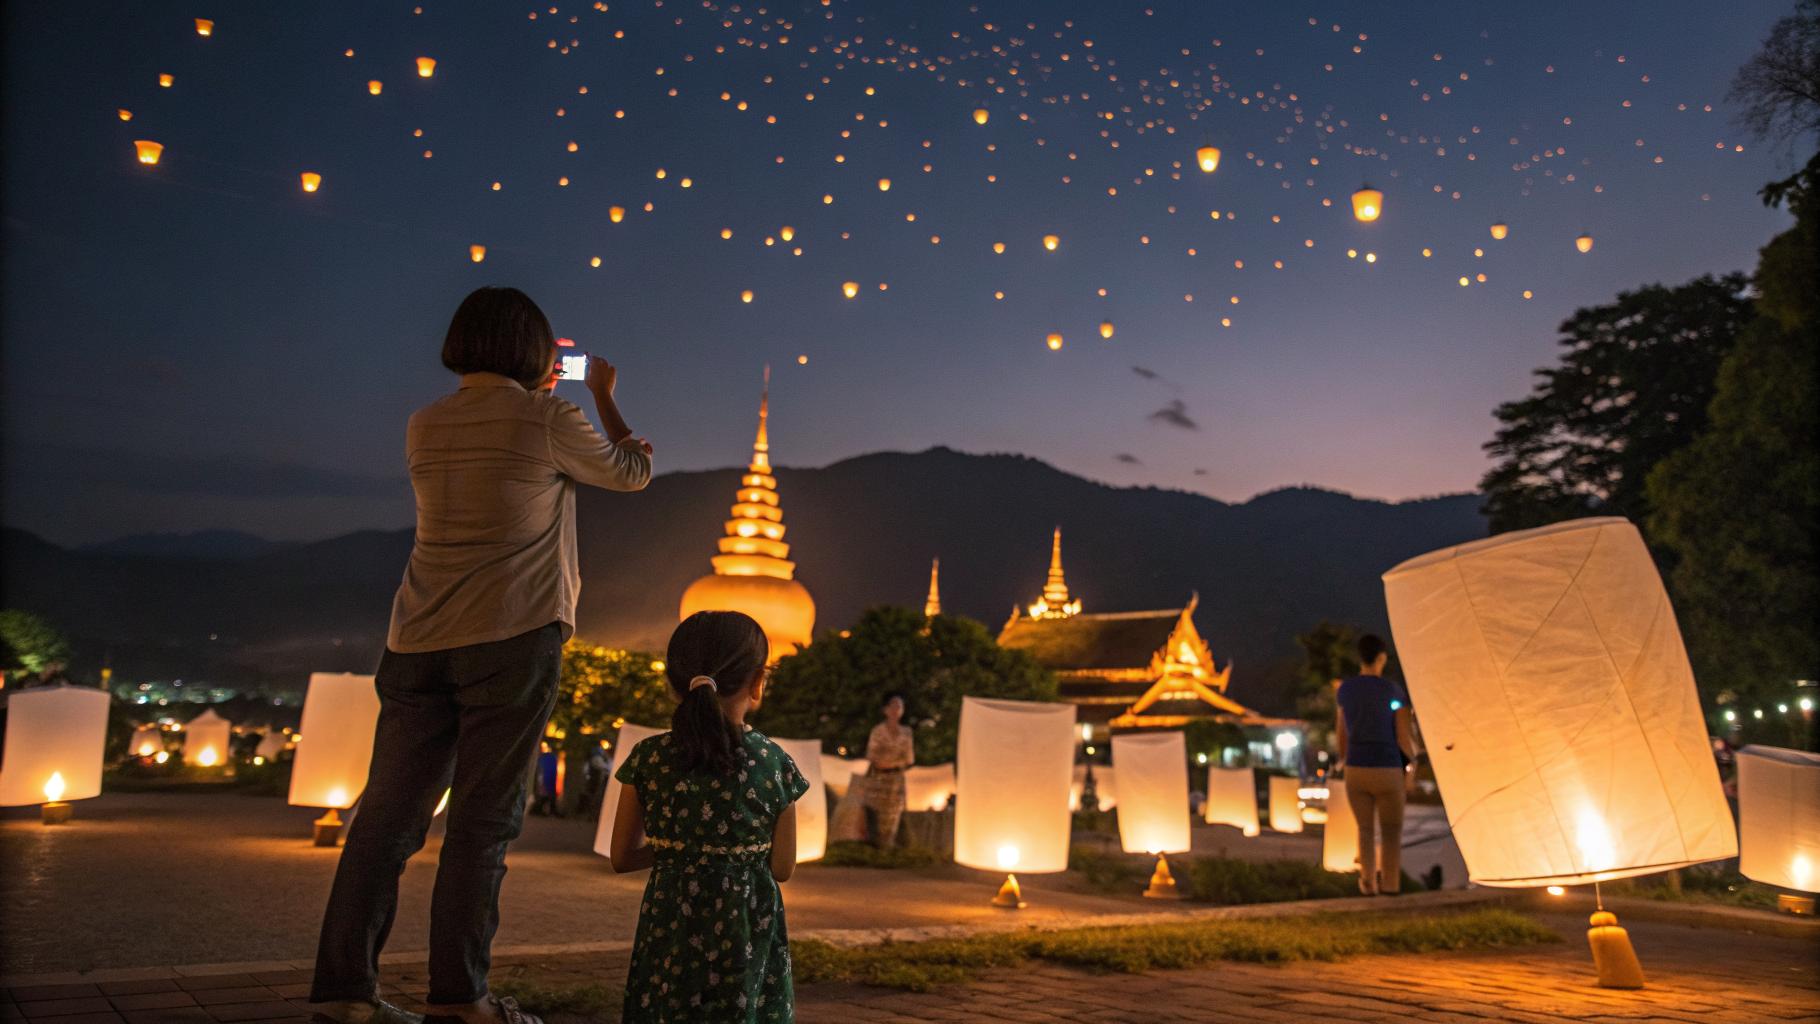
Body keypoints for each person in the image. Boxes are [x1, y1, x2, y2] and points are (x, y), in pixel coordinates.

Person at [310, 287, 653, 1024]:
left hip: (417, 640)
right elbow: (631, 473)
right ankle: (460, 999)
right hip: (512, 636)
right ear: (535, 355)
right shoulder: (550, 417)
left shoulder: (424, 423)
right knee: (481, 824)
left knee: (385, 824)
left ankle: (343, 992)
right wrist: (604, 397)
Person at [609, 611, 807, 1023]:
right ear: (757, 683)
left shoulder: (648, 759)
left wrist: (680, 849)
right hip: (745, 937)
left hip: (670, 935)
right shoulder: (775, 764)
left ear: (672, 684)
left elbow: (622, 857)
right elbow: (782, 868)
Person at [1335, 633, 1418, 896]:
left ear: (1360, 658)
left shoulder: (1345, 691)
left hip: (1356, 768)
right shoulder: (1393, 691)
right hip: (1387, 767)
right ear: (1381, 658)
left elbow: (1341, 734)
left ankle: (1367, 882)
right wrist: (1412, 767)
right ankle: (1390, 886)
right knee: (1391, 831)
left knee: (1365, 829)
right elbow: (1403, 738)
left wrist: (1345, 760)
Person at [861, 693, 915, 848]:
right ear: (886, 710)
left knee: (894, 813)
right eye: (893, 705)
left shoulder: (906, 733)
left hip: (896, 778)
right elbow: (872, 755)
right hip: (879, 777)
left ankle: (889, 845)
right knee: (877, 812)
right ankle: (876, 846)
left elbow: (909, 758)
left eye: (899, 706)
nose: (896, 709)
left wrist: (891, 762)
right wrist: (885, 762)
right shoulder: (878, 731)